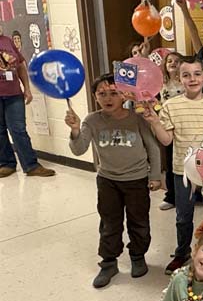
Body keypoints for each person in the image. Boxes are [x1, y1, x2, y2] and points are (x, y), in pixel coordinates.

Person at [64, 73, 161, 287]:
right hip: (108, 180)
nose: (108, 98)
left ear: (124, 95)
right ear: (95, 96)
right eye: (102, 94)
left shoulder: (136, 118)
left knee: (139, 221)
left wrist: (154, 176)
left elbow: (153, 148)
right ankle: (108, 263)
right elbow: (79, 149)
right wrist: (74, 130)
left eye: (114, 93)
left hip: (136, 180)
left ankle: (138, 256)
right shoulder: (92, 120)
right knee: (109, 223)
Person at [143, 55, 203, 274]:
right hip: (183, 173)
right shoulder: (171, 106)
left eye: (197, 74)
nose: (192, 79)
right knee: (183, 217)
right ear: (179, 79)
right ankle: (182, 253)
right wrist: (154, 121)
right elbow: (166, 140)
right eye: (186, 75)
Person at [0, 28, 55, 178]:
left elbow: (20, 66)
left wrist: (27, 89)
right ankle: (6, 164)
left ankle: (31, 165)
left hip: (13, 94)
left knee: (18, 129)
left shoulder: (7, 41)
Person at [157, 51, 184, 211]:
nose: (173, 63)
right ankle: (171, 196)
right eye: (169, 61)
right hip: (167, 128)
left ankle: (192, 195)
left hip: (184, 127)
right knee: (170, 163)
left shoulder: (185, 82)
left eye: (177, 61)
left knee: (186, 163)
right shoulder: (161, 83)